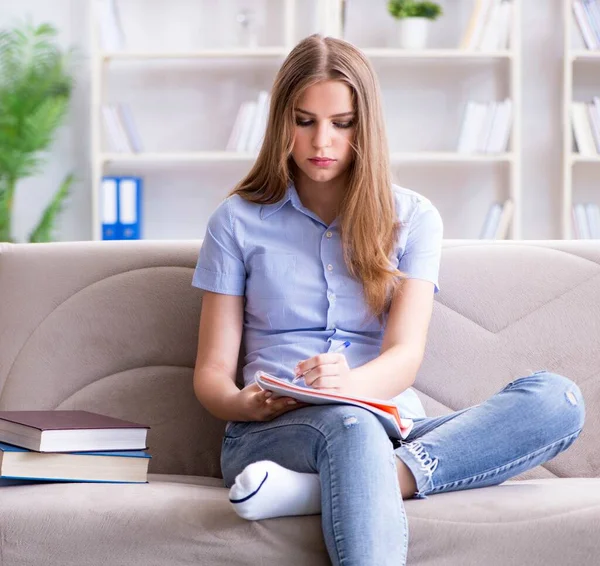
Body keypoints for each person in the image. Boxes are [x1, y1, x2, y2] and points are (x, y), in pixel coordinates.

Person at [191, 34, 586, 566]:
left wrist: (350, 387)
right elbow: (212, 374)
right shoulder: (236, 221)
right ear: (281, 120)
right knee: (348, 427)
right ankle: (354, 472)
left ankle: (327, 488)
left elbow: (405, 355)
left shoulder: (415, 218)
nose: (321, 141)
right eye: (304, 120)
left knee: (556, 400)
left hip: (390, 424)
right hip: (275, 430)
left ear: (366, 125)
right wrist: (244, 403)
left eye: (341, 123)